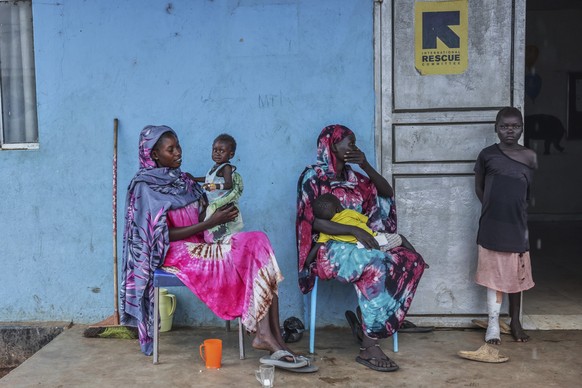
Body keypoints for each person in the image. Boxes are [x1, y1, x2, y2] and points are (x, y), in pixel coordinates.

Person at [120, 125, 303, 368]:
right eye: (170, 149)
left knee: (258, 241)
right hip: (175, 252)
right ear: (154, 154)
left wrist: (221, 213)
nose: (178, 153)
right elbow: (160, 236)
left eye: (178, 146)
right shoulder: (144, 187)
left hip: (201, 243)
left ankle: (273, 335)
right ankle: (266, 336)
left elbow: (206, 208)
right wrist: (211, 221)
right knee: (243, 254)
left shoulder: (182, 180)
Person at [296, 124, 427, 372]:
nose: (354, 147)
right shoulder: (313, 177)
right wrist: (353, 230)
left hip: (363, 239)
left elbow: (387, 193)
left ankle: (372, 320)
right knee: (376, 264)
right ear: (331, 146)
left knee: (411, 260)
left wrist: (365, 165)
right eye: (349, 142)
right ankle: (369, 345)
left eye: (355, 142)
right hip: (330, 247)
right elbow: (311, 221)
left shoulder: (357, 179)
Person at [474, 107, 537, 344]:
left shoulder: (529, 156)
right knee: (493, 275)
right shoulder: (487, 155)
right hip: (492, 224)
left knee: (516, 274)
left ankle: (515, 322)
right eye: (504, 126)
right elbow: (479, 187)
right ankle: (493, 324)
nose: (509, 131)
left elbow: (528, 191)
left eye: (515, 126)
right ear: (496, 128)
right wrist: (492, 208)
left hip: (517, 225)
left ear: (522, 127)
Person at [308, 193, 408, 257]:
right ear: (338, 209)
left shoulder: (326, 231)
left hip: (358, 251)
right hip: (374, 241)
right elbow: (367, 222)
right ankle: (418, 257)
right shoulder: (347, 213)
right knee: (401, 238)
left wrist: (307, 263)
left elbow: (318, 246)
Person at [189, 133, 244, 243]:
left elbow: (229, 185)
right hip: (212, 200)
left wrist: (215, 186)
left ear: (231, 154)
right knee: (204, 219)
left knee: (206, 219)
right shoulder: (215, 167)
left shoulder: (226, 168)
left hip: (220, 202)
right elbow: (209, 179)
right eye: (215, 150)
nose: (217, 153)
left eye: (222, 151)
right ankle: (215, 240)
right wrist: (194, 179)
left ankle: (217, 241)